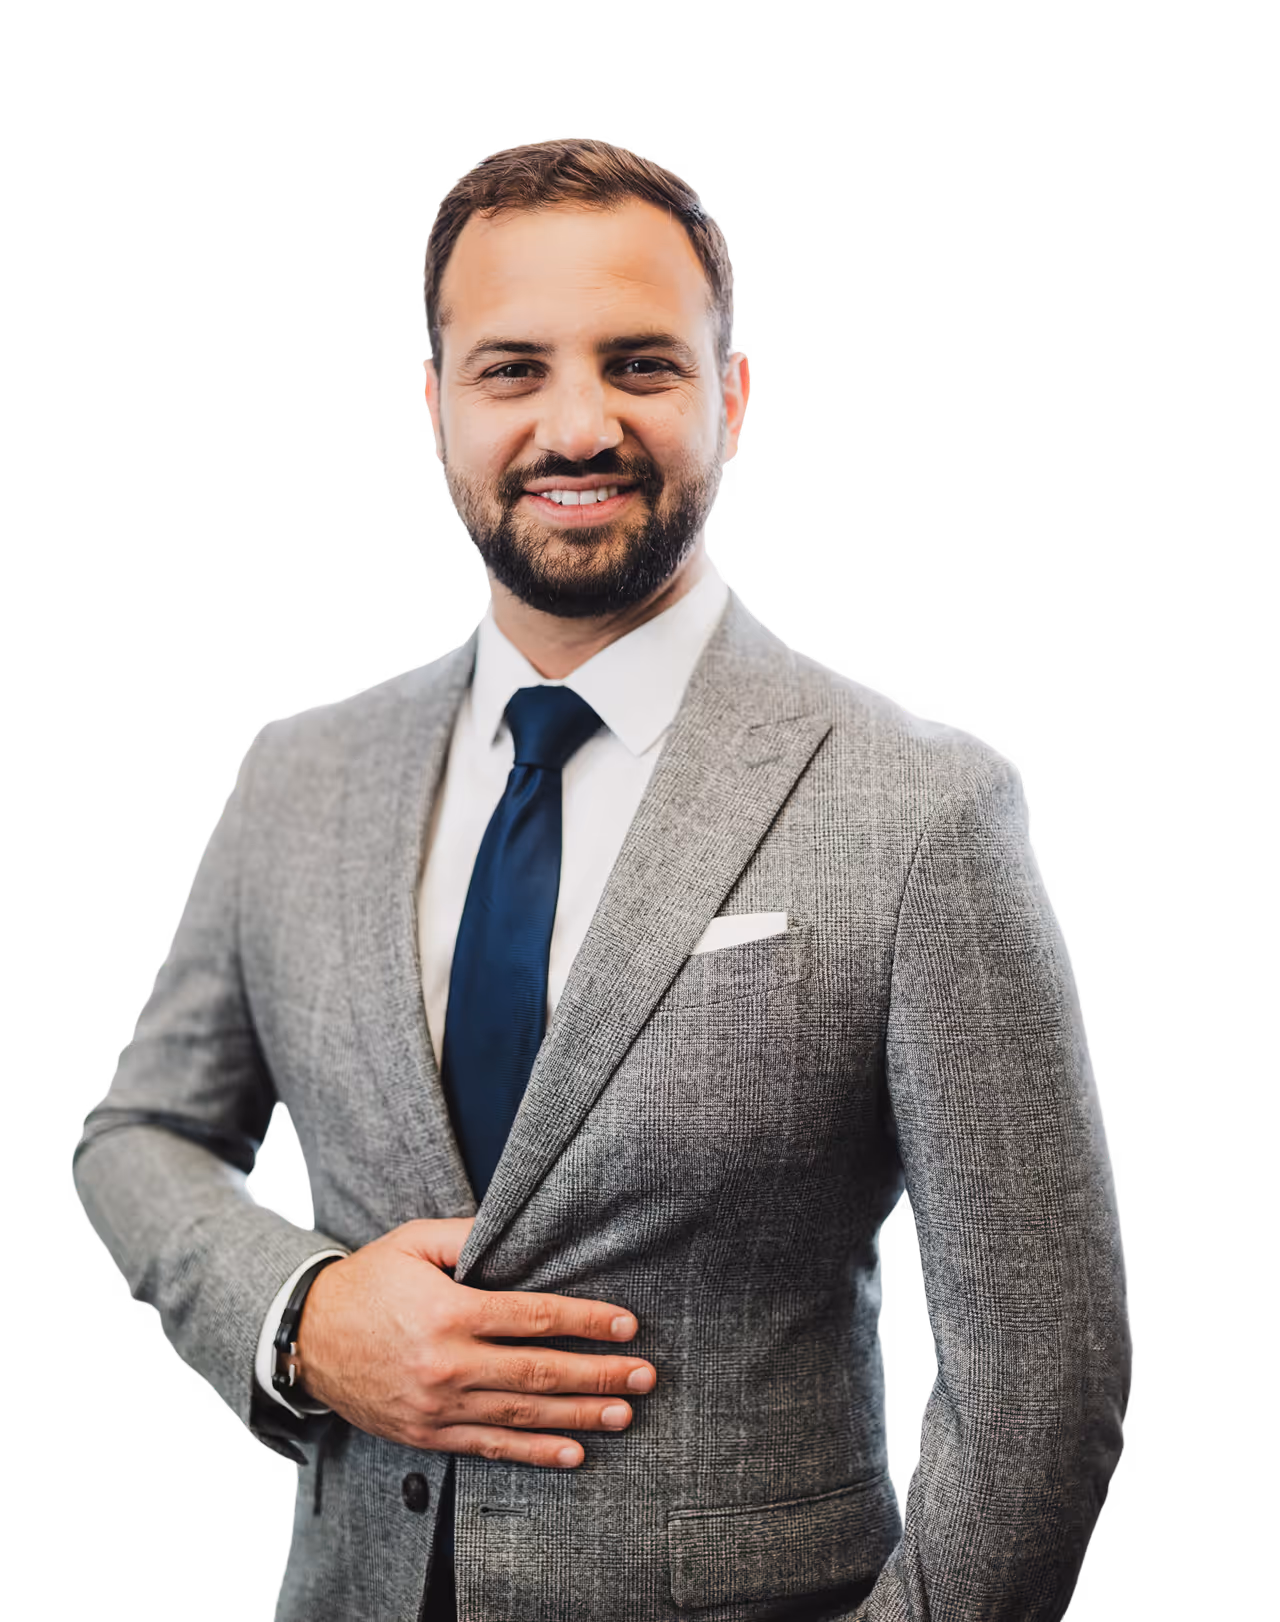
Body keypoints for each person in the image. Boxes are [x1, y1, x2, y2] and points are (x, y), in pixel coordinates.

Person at [70, 137, 1132, 1622]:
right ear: (436, 411)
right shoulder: (294, 771)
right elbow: (144, 1134)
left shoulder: (926, 801)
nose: (579, 423)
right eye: (513, 370)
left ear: (732, 398)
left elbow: (1044, 1377)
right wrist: (299, 1315)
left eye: (640, 364)